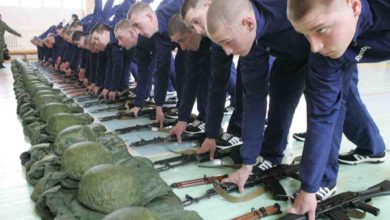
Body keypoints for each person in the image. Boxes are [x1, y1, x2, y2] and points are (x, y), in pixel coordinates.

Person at [285, 0, 388, 217]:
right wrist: (309, 187)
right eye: (306, 35)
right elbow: (322, 115)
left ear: (354, 5)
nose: (314, 46)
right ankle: (368, 150)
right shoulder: (323, 52)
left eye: (320, 29)